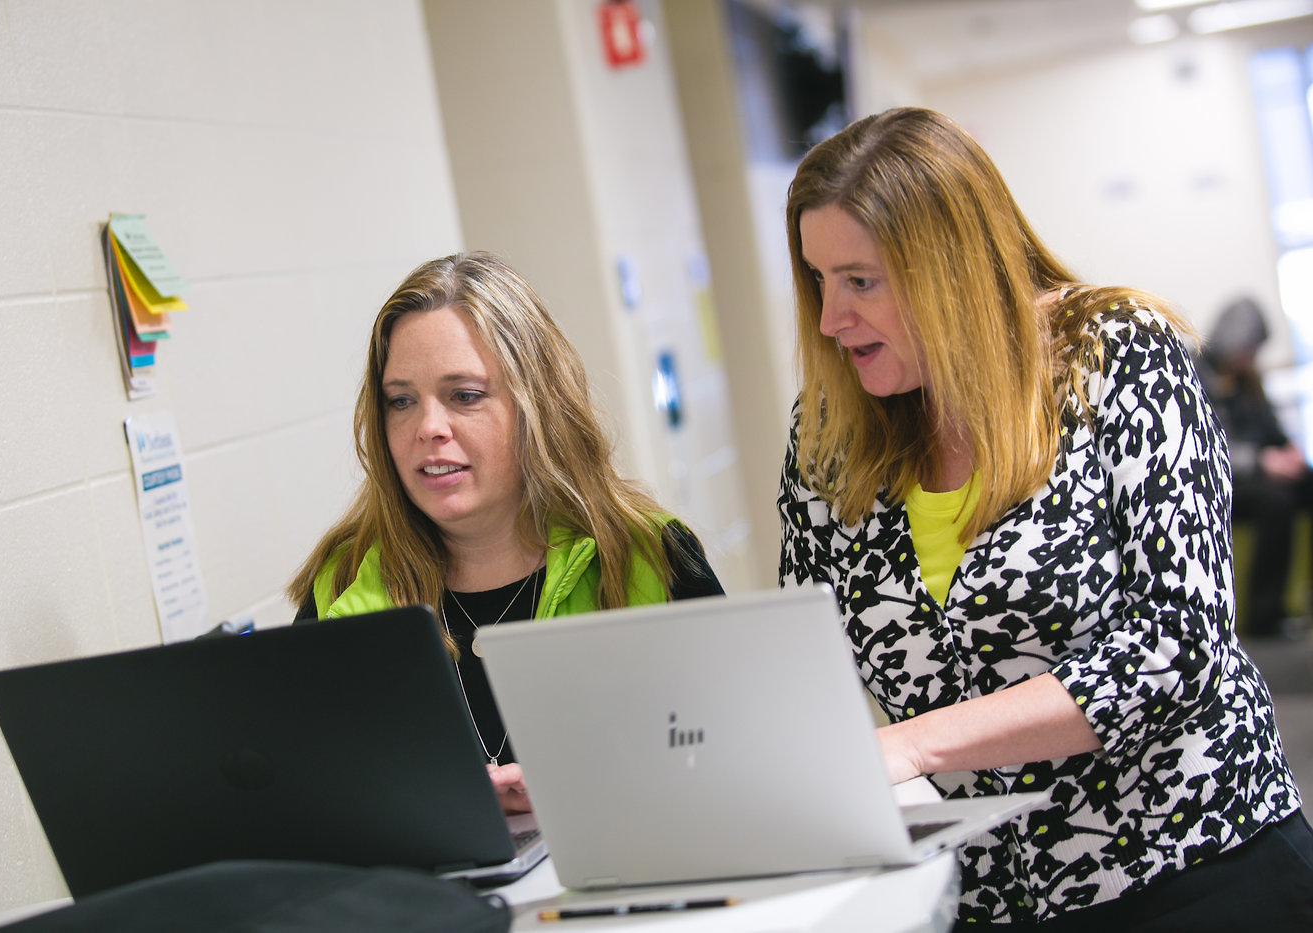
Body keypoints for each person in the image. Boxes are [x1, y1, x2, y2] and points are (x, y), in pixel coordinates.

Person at [776, 107, 1313, 930]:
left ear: (951, 267)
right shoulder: (828, 435)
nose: (829, 319)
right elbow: (797, 672)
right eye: (818, 280)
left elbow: (1176, 644)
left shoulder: (1118, 353)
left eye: (860, 280)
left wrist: (916, 743)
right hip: (985, 902)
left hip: (1196, 866)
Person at [288, 251, 723, 813]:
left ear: (535, 404)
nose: (428, 429)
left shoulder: (648, 555)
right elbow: (306, 798)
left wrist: (572, 791)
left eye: (464, 396)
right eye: (401, 401)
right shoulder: (342, 585)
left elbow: (733, 758)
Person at [1195, 297, 1313, 638]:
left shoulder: (1248, 379)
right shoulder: (1199, 374)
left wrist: (1288, 451)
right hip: (1224, 482)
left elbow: (1271, 430)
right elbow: (1207, 445)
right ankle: (1265, 615)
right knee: (1274, 503)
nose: (1250, 357)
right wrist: (1262, 462)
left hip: (1259, 474)